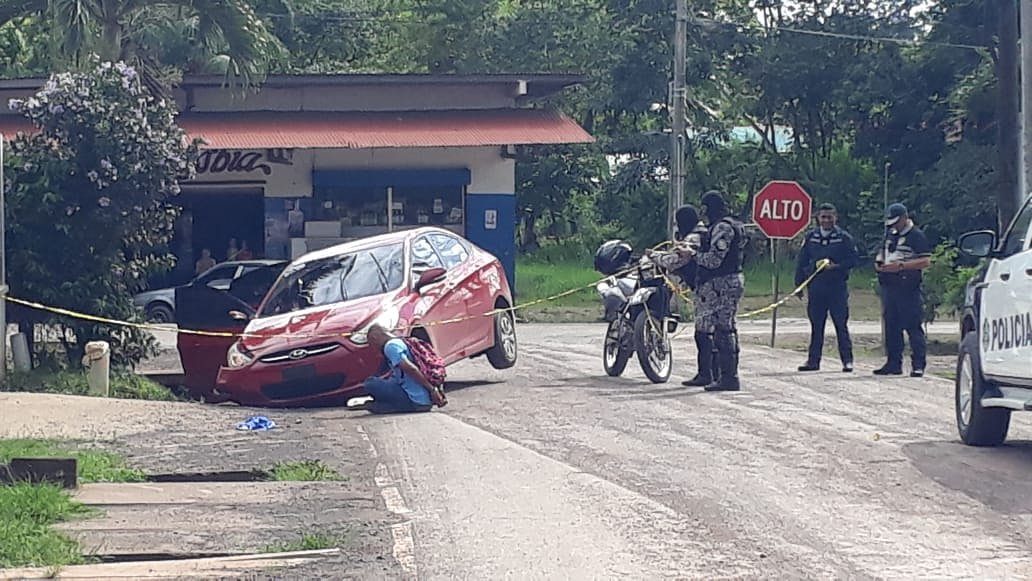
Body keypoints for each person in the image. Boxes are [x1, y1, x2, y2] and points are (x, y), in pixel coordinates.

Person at [691, 191, 747, 391]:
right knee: (722, 328)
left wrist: (693, 255)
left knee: (724, 329)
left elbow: (715, 260)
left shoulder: (722, 227)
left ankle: (729, 378)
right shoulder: (727, 225)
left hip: (723, 282)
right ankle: (720, 376)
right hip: (726, 280)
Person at [794, 203, 859, 373]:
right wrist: (798, 284)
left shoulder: (843, 238)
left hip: (837, 288)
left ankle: (847, 361)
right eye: (823, 217)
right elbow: (802, 261)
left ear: (835, 218)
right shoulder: (811, 237)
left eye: (829, 217)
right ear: (818, 218)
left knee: (840, 325)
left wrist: (836, 267)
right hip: (816, 288)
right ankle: (813, 361)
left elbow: (854, 260)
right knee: (817, 326)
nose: (826, 220)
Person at [874, 202, 932, 377]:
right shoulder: (890, 234)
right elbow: (882, 251)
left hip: (908, 287)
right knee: (891, 326)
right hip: (890, 286)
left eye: (896, 222)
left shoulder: (916, 236)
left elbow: (925, 261)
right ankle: (893, 363)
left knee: (913, 326)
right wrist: (879, 262)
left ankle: (918, 365)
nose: (893, 226)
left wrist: (901, 266)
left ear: (905, 218)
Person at [349, 324, 446, 414]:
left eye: (372, 344)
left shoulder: (390, 347)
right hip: (424, 401)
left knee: (370, 383)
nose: (374, 349)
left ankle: (395, 405)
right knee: (388, 382)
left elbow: (411, 369)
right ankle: (383, 406)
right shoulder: (403, 341)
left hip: (415, 400)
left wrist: (432, 390)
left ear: (375, 338)